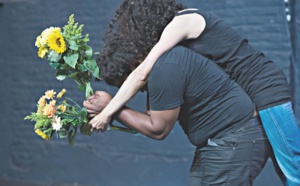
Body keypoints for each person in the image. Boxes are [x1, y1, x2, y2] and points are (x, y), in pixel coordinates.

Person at [90, 0, 300, 185]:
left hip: (265, 88)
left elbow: (142, 73)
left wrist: (108, 112)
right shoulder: (177, 44)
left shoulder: (181, 24)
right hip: (253, 90)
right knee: (288, 170)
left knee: (293, 170)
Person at [84, 35, 271, 185]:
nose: (133, 91)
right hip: (216, 142)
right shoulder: (160, 65)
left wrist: (112, 108)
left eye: (125, 84)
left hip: (236, 137)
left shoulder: (164, 68)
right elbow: (152, 115)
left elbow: (158, 128)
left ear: (134, 66)